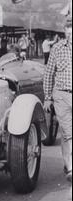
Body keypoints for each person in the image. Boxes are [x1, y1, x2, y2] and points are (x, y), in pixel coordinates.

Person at [43, 20, 72, 182]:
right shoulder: (57, 48)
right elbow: (48, 74)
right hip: (62, 95)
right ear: (64, 33)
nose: (71, 36)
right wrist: (47, 97)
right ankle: (70, 167)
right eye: (68, 33)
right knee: (68, 133)